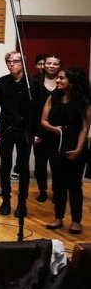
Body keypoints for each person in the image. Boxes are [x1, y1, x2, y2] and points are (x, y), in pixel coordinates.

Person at [41, 68, 91, 235]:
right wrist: (55, 129)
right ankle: (58, 217)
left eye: (62, 78)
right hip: (56, 144)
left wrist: (78, 149)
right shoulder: (53, 97)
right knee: (59, 183)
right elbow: (43, 120)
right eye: (58, 78)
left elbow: (85, 128)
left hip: (76, 143)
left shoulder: (84, 102)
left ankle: (76, 221)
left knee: (75, 184)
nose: (58, 81)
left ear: (72, 82)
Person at [0, 51, 34, 217]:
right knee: (5, 165)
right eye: (9, 61)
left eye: (16, 61)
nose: (12, 64)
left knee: (23, 167)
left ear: (23, 62)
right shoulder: (1, 82)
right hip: (6, 128)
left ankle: (22, 203)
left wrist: (35, 131)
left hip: (25, 129)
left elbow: (36, 110)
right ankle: (6, 201)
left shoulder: (32, 83)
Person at [31, 54, 60, 202]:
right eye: (49, 63)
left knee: (56, 163)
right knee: (40, 163)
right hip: (40, 128)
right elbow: (33, 109)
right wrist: (35, 132)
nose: (51, 66)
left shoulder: (63, 82)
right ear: (44, 65)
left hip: (57, 128)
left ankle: (56, 190)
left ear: (59, 66)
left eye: (55, 64)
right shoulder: (36, 82)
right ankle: (42, 190)